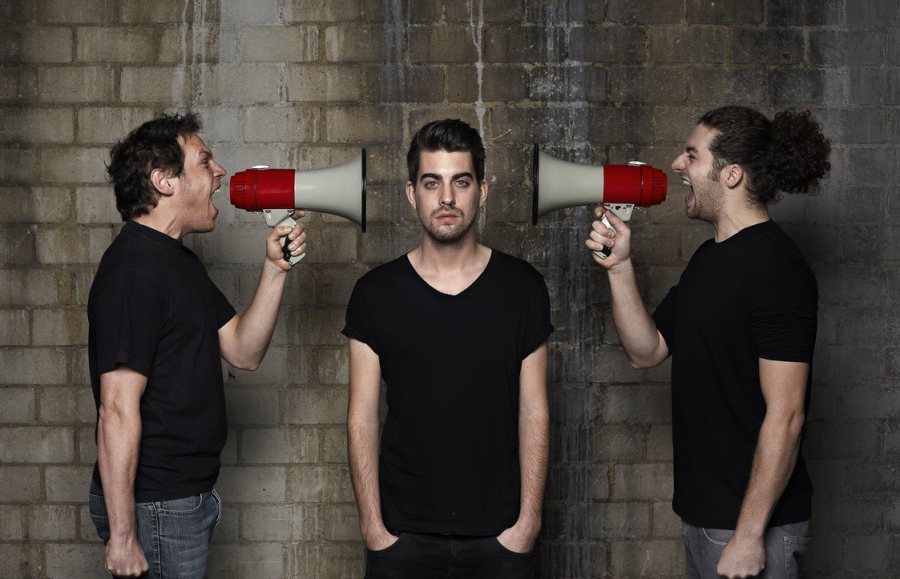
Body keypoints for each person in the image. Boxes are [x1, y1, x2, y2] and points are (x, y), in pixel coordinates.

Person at [586, 106, 830, 579]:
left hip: (752, 527)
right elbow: (646, 351)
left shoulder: (777, 268)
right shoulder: (708, 259)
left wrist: (749, 535)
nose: (677, 165)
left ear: (731, 174)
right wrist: (619, 268)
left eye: (692, 155)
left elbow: (787, 414)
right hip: (704, 517)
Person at [87, 112, 306, 578]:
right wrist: (123, 536)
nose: (220, 171)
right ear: (164, 181)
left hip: (182, 497)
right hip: (157, 503)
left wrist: (275, 269)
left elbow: (243, 351)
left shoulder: (178, 263)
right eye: (205, 161)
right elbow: (116, 408)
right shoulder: (132, 274)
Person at [343, 119, 553, 579]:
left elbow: (534, 411)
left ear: (482, 191)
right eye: (431, 182)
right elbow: (362, 416)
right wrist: (373, 528)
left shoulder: (523, 288)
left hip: (501, 536)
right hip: (402, 537)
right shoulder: (375, 294)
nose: (446, 198)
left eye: (461, 181)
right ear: (411, 193)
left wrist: (527, 524)